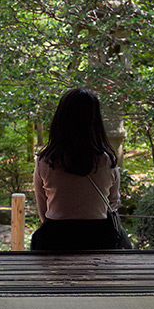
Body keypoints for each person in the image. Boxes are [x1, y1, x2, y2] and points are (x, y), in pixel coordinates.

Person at [30, 88, 124, 251]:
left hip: (55, 239)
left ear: (61, 119)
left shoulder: (46, 161)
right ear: (95, 120)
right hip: (99, 239)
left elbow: (43, 210)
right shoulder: (107, 160)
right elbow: (113, 203)